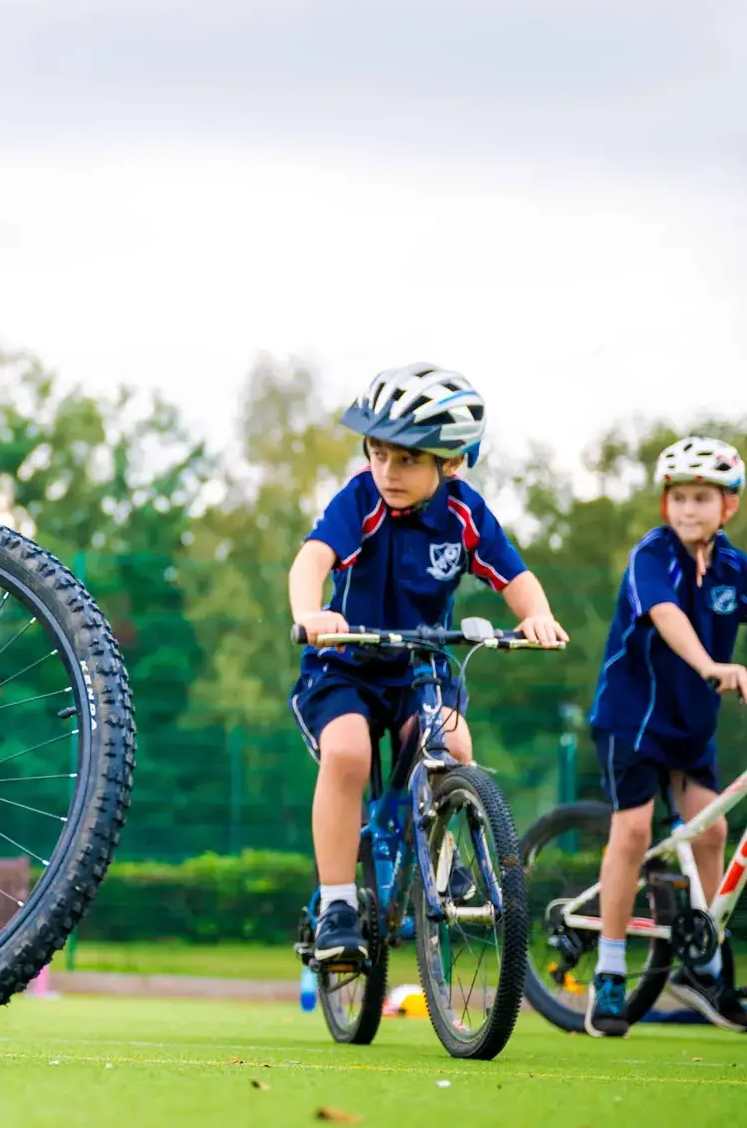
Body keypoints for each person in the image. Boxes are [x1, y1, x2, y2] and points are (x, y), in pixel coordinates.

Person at [288, 362, 568, 966]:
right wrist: (312, 614)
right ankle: (337, 904)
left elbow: (513, 575)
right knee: (347, 753)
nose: (387, 471)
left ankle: (446, 862)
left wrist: (537, 615)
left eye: (408, 459)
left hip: (420, 666)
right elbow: (312, 559)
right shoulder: (362, 498)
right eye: (378, 453)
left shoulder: (465, 513)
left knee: (455, 743)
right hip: (346, 664)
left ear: (454, 463)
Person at [582, 435, 747, 1036]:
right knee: (631, 831)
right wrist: (710, 665)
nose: (687, 510)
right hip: (633, 720)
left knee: (713, 827)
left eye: (701, 498)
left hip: (690, 727)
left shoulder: (733, 567)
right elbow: (667, 616)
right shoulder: (652, 558)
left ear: (727, 506)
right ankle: (608, 973)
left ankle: (703, 963)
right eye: (678, 498)